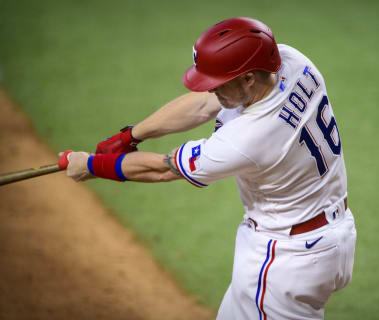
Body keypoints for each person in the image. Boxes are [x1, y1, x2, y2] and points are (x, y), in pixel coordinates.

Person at [61, 17, 357, 320]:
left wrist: (92, 164)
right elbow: (203, 105)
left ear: (248, 78)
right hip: (332, 233)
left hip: (285, 259)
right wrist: (131, 135)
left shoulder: (247, 138)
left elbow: (163, 169)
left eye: (218, 84)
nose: (212, 91)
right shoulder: (293, 63)